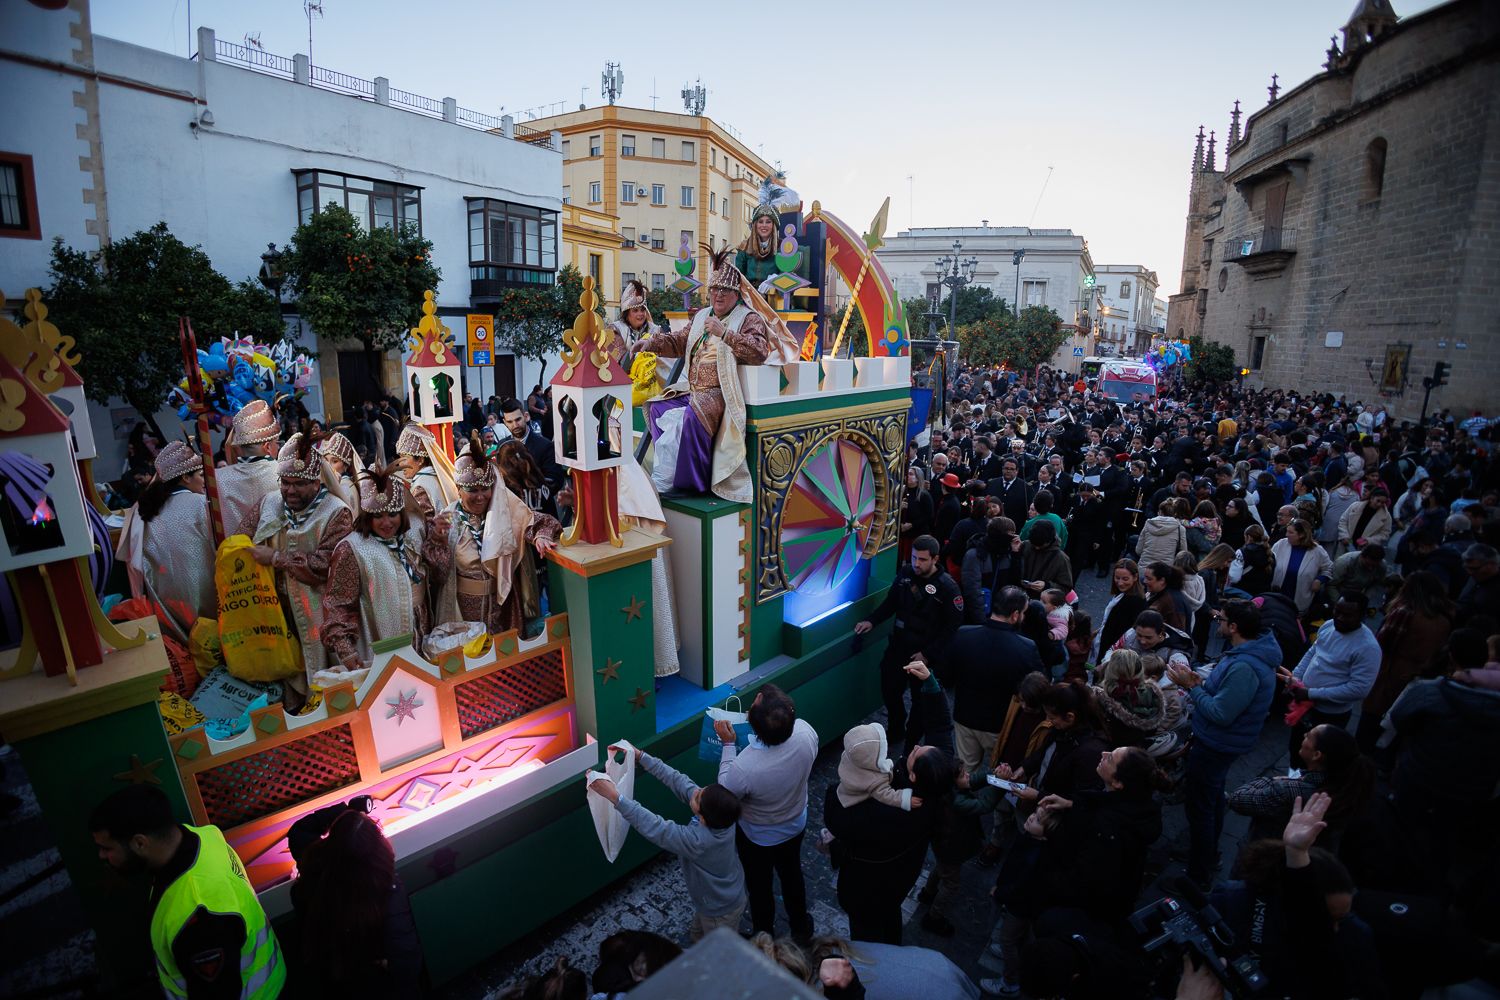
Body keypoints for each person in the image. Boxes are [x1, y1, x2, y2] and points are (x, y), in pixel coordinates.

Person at [89, 784, 285, 999]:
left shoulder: (199, 921)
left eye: (106, 848)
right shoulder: (205, 835)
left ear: (140, 843)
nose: (101, 856)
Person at [824, 662, 955, 945]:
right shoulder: (940, 780)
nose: (916, 746)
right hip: (902, 877)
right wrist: (930, 683)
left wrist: (848, 782)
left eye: (915, 753)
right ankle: (894, 941)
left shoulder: (884, 814)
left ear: (911, 775)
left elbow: (836, 816)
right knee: (890, 914)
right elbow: (942, 728)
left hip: (867, 889)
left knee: (868, 935)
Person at [636, 248, 778, 501]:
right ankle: (669, 475)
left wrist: (725, 333)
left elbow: (759, 351)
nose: (719, 295)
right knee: (658, 407)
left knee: (694, 415)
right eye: (714, 290)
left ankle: (693, 485)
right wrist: (650, 343)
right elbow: (679, 341)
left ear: (736, 294)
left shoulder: (749, 318)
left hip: (720, 391)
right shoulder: (702, 315)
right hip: (691, 388)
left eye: (725, 290)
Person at [1166, 599, 1280, 888]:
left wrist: (1192, 687)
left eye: (1222, 619)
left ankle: (1197, 875)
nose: (1218, 622)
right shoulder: (1246, 654)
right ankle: (1206, 853)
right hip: (1221, 742)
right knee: (1212, 797)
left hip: (1217, 743)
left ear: (1234, 627)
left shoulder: (1245, 666)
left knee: (1201, 806)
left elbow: (1221, 713)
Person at [590, 744, 747, 942]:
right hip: (717, 898)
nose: (695, 790)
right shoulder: (725, 815)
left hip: (719, 909)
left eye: (698, 796)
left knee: (719, 953)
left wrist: (615, 797)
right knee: (699, 937)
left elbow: (656, 827)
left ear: (703, 818)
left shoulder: (698, 841)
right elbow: (678, 780)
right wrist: (641, 757)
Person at [238, 432, 353, 701]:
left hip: (319, 613)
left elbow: (328, 565)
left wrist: (277, 559)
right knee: (287, 672)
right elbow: (241, 538)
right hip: (275, 608)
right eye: (285, 483)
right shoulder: (270, 503)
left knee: (323, 675)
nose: (289, 491)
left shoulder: (336, 512)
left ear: (316, 482)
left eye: (298, 485)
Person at [426, 440, 560, 639]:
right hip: (463, 610)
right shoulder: (447, 520)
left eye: (485, 489)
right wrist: (437, 542)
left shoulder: (502, 511)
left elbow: (540, 521)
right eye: (473, 490)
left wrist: (540, 536)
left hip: (502, 605)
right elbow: (438, 575)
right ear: (458, 489)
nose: (480, 497)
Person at [287, 796, 421, 995]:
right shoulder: (387, 890)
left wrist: (344, 811)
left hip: (327, 977)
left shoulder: (313, 871)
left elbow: (299, 831)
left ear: (331, 845)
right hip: (373, 985)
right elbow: (405, 955)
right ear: (379, 854)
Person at [714, 685, 818, 941]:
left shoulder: (745, 767)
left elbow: (725, 792)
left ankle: (764, 935)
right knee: (792, 873)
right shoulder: (806, 733)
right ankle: (801, 928)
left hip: (758, 837)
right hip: (795, 823)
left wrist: (728, 745)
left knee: (759, 886)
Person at [854, 535, 963, 752]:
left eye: (922, 559)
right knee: (889, 688)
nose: (916, 564)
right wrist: (872, 620)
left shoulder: (948, 588)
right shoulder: (905, 575)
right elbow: (891, 602)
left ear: (935, 559)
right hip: (900, 646)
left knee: (920, 702)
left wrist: (928, 654)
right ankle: (896, 728)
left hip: (925, 655)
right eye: (914, 558)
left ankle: (911, 743)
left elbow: (952, 628)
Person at [322, 469, 431, 670]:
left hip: (420, 635)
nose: (387, 522)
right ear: (367, 516)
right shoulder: (352, 548)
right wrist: (345, 650)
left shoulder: (411, 535)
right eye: (378, 516)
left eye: (392, 514)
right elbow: (338, 604)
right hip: (379, 640)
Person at [115, 441, 216, 643]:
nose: (204, 480)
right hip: (203, 592)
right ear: (185, 477)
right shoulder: (201, 504)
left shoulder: (141, 507)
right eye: (200, 475)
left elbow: (129, 557)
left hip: (162, 597)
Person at [941, 586, 1043, 770]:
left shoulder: (963, 634)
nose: (1024, 617)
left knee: (965, 772)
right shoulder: (1027, 648)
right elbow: (1038, 686)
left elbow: (946, 675)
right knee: (998, 774)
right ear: (1015, 615)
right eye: (1024, 613)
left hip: (964, 718)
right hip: (1001, 725)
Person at [1228, 723, 1375, 841]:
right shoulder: (1343, 788)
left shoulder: (1287, 790)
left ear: (1317, 755)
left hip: (1263, 852)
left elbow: (1237, 799)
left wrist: (1271, 780)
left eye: (1309, 736)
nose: (1304, 735)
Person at [1280, 594, 1381, 757]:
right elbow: (1313, 652)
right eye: (1337, 611)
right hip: (1303, 704)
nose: (1339, 618)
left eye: (1347, 615)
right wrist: (1295, 679)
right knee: (1297, 750)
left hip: (1329, 715)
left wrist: (1311, 693)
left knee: (1316, 758)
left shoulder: (1368, 648)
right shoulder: (1328, 626)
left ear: (1362, 616)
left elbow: (1359, 689)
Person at [216, 398, 283, 537]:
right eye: (277, 442)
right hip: (273, 556)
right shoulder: (284, 474)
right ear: (267, 446)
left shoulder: (216, 478)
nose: (279, 446)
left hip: (232, 555)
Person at [1091, 649, 1167, 749]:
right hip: (1134, 751)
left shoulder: (1099, 698)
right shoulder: (1152, 694)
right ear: (1141, 670)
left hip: (1105, 751)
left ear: (1110, 671)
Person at [959, 516, 1021, 623]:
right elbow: (972, 591)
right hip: (980, 617)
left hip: (1000, 616)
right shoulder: (975, 555)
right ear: (1000, 535)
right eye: (1011, 534)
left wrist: (1015, 554)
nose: (1014, 537)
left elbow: (1014, 582)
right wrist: (982, 620)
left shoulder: (1007, 553)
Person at [499, 397, 563, 499]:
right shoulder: (502, 446)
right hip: (513, 510)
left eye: (518, 419)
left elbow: (555, 481)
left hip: (541, 507)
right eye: (510, 422)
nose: (515, 425)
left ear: (526, 416)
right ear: (505, 422)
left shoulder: (545, 445)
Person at [1271, 517, 1335, 616]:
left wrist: (1319, 580)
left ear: (1301, 535)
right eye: (1287, 531)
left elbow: (1328, 568)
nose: (1287, 535)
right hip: (1277, 596)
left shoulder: (1317, 551)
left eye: (1291, 533)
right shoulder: (1281, 544)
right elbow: (1269, 561)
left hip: (1300, 599)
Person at [392, 422, 457, 518]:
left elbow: (422, 526)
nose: (400, 464)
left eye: (404, 458)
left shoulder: (420, 487)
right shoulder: (437, 476)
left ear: (421, 460)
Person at [1094, 558, 1149, 662]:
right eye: (1117, 578)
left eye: (1125, 579)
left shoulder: (1135, 600)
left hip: (1115, 654)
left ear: (1135, 577)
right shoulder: (1123, 594)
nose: (1120, 583)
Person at [1018, 519, 1073, 597]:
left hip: (1041, 602)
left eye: (1040, 545)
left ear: (1050, 540)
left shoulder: (1061, 558)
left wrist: (1047, 586)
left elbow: (1066, 588)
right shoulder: (1025, 545)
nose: (1037, 548)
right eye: (1034, 544)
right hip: (1018, 597)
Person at [735, 203, 783, 288]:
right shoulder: (744, 246)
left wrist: (775, 280)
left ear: (774, 225)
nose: (764, 225)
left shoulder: (782, 247)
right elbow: (738, 276)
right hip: (748, 295)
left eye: (768, 222)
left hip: (773, 296)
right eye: (760, 222)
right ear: (755, 225)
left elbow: (786, 273)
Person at [1326, 543, 1386, 608]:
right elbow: (1331, 585)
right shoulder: (1344, 562)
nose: (1370, 568)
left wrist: (1365, 598)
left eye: (1374, 566)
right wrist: (1339, 603)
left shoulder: (1382, 566)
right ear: (1362, 556)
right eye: (1368, 564)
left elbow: (1376, 584)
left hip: (1358, 594)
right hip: (1338, 592)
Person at [1337, 488, 1391, 557]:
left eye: (1382, 502)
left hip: (1365, 549)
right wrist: (1344, 535)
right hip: (1346, 544)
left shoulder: (1386, 517)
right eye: (1378, 501)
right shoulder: (1355, 506)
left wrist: (1368, 541)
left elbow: (1385, 534)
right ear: (1372, 498)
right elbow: (1343, 521)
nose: (1379, 504)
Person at [1136, 498, 1188, 567]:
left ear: (1160, 511)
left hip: (1144, 569)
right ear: (1175, 513)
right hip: (1165, 571)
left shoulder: (1148, 524)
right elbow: (1183, 554)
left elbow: (1138, 550)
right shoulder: (1180, 528)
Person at [1142, 560, 1192, 632]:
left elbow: (1177, 633)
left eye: (1149, 579)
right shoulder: (1160, 594)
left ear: (1162, 580)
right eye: (1145, 577)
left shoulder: (1173, 601)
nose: (1145, 581)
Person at [899, 466, 935, 564]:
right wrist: (899, 508)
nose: (907, 476)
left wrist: (912, 525)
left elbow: (929, 516)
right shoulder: (901, 491)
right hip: (902, 533)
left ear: (918, 478)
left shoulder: (924, 495)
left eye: (911, 474)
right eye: (907, 473)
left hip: (917, 534)